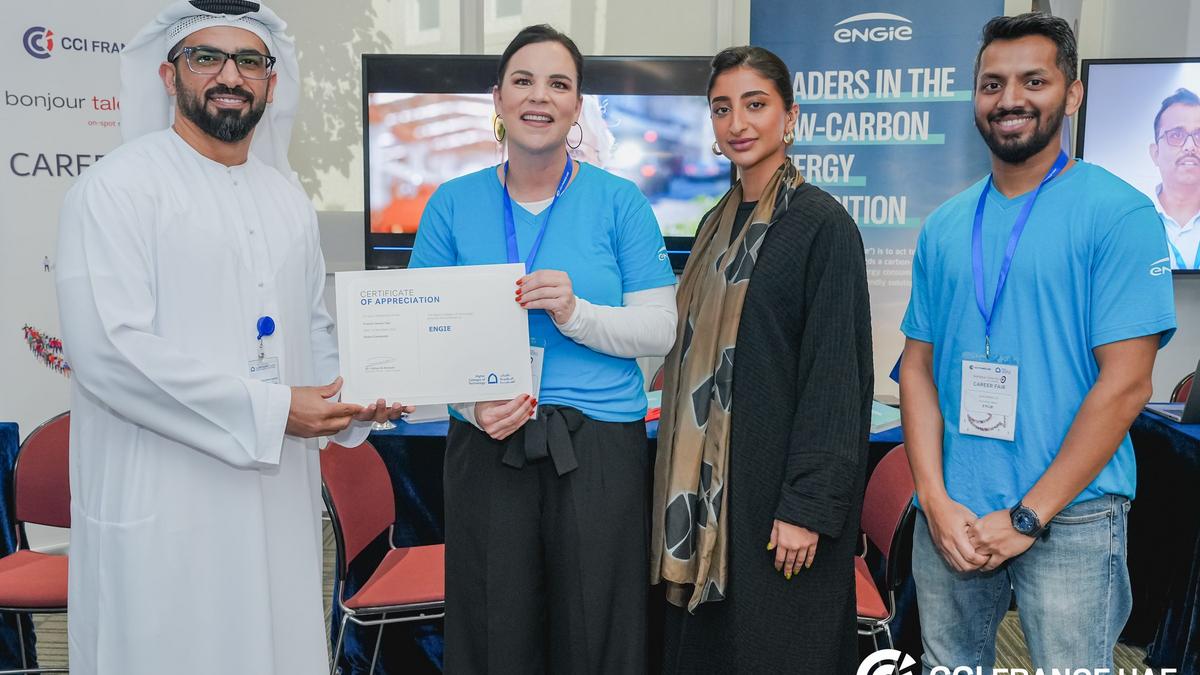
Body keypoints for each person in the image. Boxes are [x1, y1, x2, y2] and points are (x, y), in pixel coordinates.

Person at [55, 2, 407, 673]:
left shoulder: (287, 199)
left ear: (271, 82)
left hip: (275, 499)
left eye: (249, 61)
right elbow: (110, 352)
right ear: (169, 75)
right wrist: (274, 410)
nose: (230, 76)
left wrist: (356, 401)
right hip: (165, 495)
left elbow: (312, 330)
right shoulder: (116, 189)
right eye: (206, 57)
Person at [900, 13, 1176, 673]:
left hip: (1072, 515)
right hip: (954, 513)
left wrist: (1027, 516)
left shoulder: (1120, 214)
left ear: (1072, 93)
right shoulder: (945, 225)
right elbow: (917, 370)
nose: (1010, 99)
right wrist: (933, 498)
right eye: (992, 84)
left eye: (1033, 80)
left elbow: (1127, 384)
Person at [408, 24, 678, 674]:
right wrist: (471, 406)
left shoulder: (620, 203)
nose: (539, 97)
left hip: (598, 448)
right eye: (523, 81)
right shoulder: (451, 204)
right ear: (497, 98)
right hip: (488, 439)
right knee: (493, 633)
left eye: (558, 84)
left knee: (598, 636)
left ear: (577, 105)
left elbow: (660, 330)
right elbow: (420, 337)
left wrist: (575, 314)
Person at [651, 46, 873, 674]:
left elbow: (837, 379)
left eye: (755, 104)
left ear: (790, 116)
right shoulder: (714, 224)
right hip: (711, 502)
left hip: (778, 505)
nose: (738, 123)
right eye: (722, 109)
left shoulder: (822, 224)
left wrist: (806, 508)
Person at [1149, 87, 1200, 270]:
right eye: (1176, 135)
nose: (1190, 147)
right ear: (1155, 153)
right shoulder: (1130, 218)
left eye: (1199, 136)